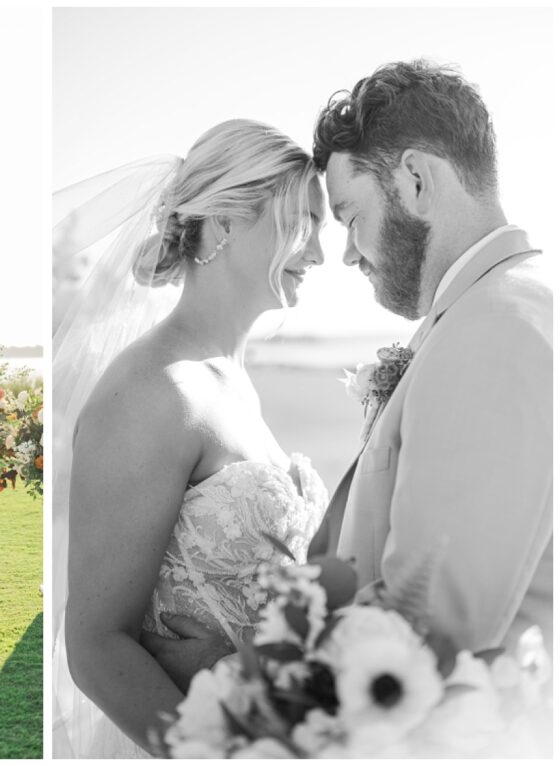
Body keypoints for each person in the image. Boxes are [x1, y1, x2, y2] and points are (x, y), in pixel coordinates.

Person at [149, 59, 553, 691]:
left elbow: (430, 627)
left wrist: (229, 674)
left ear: (417, 180)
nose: (345, 253)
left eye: (349, 216)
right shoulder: (495, 309)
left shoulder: (493, 329)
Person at [53, 119, 328, 757]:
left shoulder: (231, 380)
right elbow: (95, 646)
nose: (318, 253)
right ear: (227, 223)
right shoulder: (153, 390)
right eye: (305, 223)